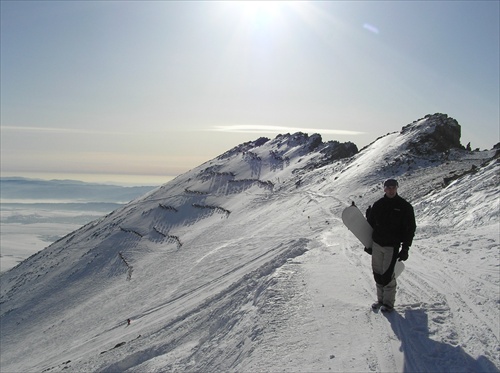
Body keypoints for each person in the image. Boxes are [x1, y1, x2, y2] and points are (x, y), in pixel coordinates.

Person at [366, 178, 416, 312]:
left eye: (393, 187)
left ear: (397, 188)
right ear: (384, 189)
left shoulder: (404, 206)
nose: (391, 190)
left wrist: (405, 248)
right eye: (388, 188)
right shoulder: (378, 205)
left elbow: (410, 229)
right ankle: (380, 300)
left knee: (387, 274)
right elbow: (370, 225)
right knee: (377, 273)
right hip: (377, 244)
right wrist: (368, 244)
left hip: (392, 246)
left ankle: (388, 303)